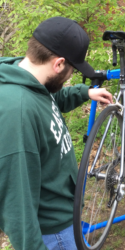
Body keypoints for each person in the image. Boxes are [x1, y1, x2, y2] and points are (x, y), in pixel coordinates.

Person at [0, 16, 113, 250]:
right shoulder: (17, 112)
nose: (71, 75)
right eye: (72, 69)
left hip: (63, 215)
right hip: (52, 234)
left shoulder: (29, 78)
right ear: (59, 63)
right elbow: (17, 203)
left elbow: (49, 99)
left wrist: (84, 93)